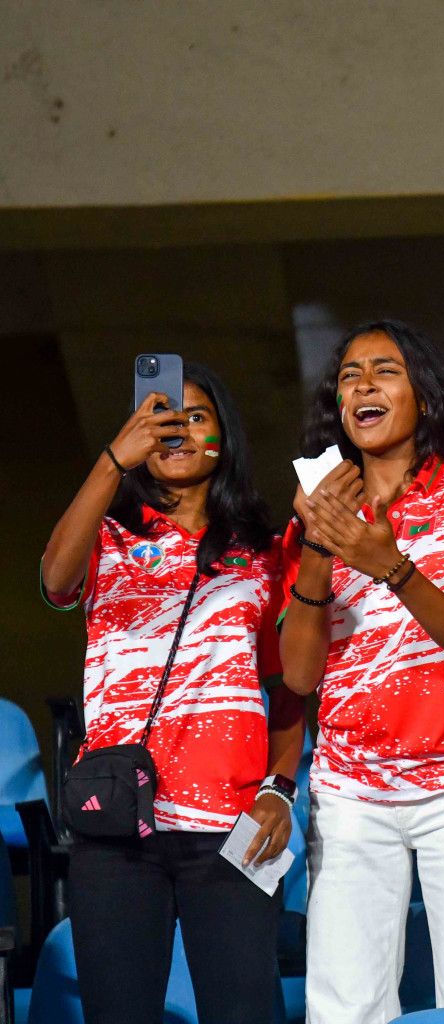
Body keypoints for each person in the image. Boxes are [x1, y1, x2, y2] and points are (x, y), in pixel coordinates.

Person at [279, 319, 444, 1022]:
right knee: (345, 1006)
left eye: (384, 370)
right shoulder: (315, 515)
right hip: (350, 789)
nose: (363, 383)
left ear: (424, 396)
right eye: (350, 374)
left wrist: (388, 564)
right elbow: (299, 676)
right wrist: (323, 547)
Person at [40, 364, 303, 1024]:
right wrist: (110, 462)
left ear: (225, 437)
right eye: (159, 416)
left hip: (231, 828)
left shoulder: (265, 554)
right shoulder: (107, 538)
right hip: (118, 827)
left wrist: (278, 789)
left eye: (195, 416)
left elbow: (290, 690)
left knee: (244, 1014)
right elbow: (53, 580)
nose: (178, 429)